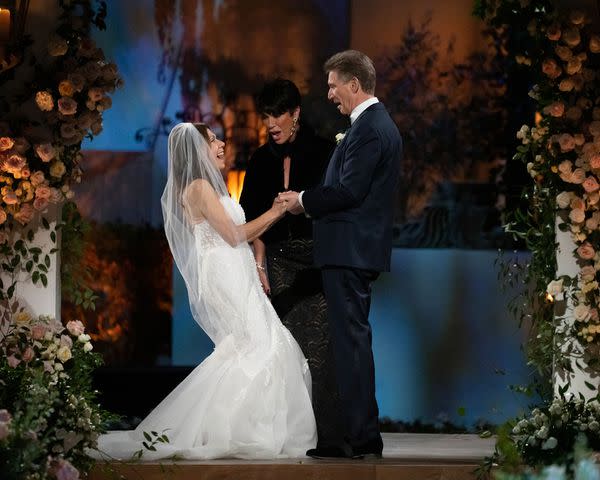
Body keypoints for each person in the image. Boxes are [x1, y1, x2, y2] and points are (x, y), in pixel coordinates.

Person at [94, 123, 316, 460]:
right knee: (258, 346)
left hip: (236, 269)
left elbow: (240, 236)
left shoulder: (211, 187)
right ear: (197, 150)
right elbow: (233, 234)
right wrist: (278, 210)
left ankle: (241, 427)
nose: (222, 143)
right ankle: (240, 431)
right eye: (212, 140)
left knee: (252, 346)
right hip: (225, 274)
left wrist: (257, 264)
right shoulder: (198, 188)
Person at [279, 50, 402, 459]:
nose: (329, 94)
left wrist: (303, 200)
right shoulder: (370, 125)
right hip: (348, 252)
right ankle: (345, 436)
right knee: (345, 344)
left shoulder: (369, 129)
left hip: (350, 252)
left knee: (350, 344)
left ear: (354, 84)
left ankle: (362, 438)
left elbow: (350, 191)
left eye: (333, 85)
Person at [238, 78, 343, 449]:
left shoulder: (324, 151)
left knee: (320, 351)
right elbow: (253, 220)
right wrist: (260, 266)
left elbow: (334, 206)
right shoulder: (258, 160)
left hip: (315, 264)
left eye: (277, 114)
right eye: (266, 116)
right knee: (281, 353)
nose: (271, 123)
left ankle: (328, 439)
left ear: (295, 113)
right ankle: (286, 438)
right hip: (278, 264)